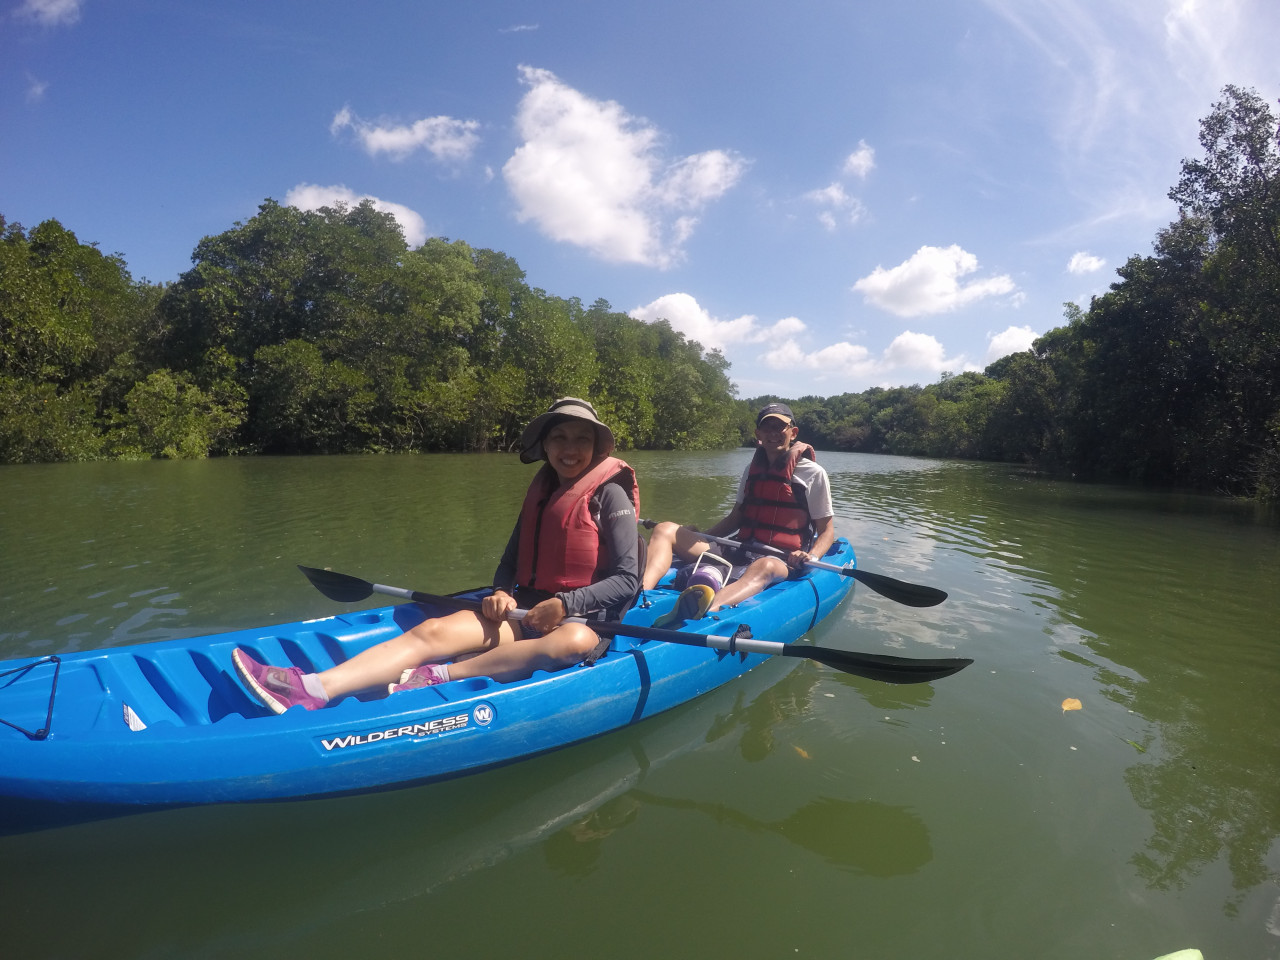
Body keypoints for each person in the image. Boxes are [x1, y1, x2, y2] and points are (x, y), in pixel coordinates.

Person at [233, 397, 640, 713]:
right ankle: (312, 688)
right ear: (545, 445)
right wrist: (501, 591)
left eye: (581, 439)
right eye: (559, 438)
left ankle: (442, 674)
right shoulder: (544, 491)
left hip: (583, 618)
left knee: (572, 642)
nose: (570, 449)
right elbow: (510, 561)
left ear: (595, 447)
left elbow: (627, 579)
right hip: (525, 610)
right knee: (433, 632)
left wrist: (565, 604)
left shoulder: (610, 494)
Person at [643, 402, 834, 619]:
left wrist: (811, 556)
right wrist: (701, 536)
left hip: (781, 559)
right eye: (767, 427)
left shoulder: (813, 474)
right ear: (758, 434)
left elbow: (826, 531)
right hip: (740, 549)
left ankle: (707, 610)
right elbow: (735, 518)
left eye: (779, 427)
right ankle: (641, 593)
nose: (773, 433)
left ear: (793, 432)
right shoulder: (751, 470)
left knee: (765, 565)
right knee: (665, 529)